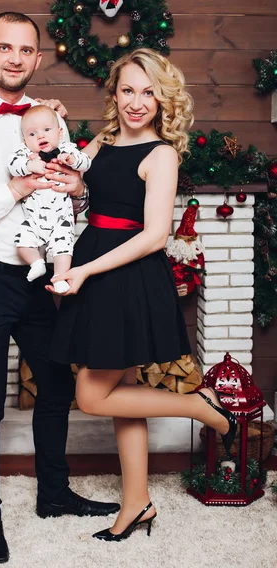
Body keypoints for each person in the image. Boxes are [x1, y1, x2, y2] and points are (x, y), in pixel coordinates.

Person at [0, 12, 119, 564]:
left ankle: (53, 495)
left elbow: (70, 206)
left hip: (40, 282)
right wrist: (11, 189)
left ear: (38, 59)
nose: (14, 57)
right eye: (3, 46)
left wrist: (80, 189)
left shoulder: (49, 123)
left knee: (56, 390)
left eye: (26, 49)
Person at [48, 48, 237, 542]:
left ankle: (200, 406)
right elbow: (86, 193)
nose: (137, 101)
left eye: (148, 92)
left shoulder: (162, 154)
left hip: (125, 276)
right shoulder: (103, 140)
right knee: (121, 397)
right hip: (97, 267)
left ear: (162, 99)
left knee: (92, 396)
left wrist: (85, 269)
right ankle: (138, 504)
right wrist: (63, 153)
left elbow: (155, 235)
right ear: (114, 93)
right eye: (128, 89)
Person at [6, 104, 91, 293]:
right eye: (32, 134)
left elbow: (86, 162)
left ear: (60, 132)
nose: (41, 136)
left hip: (61, 218)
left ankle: (59, 278)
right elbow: (12, 166)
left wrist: (72, 160)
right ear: (25, 140)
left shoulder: (67, 149)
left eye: (46, 130)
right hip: (34, 219)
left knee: (63, 249)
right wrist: (29, 165)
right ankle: (36, 263)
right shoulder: (26, 154)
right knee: (22, 241)